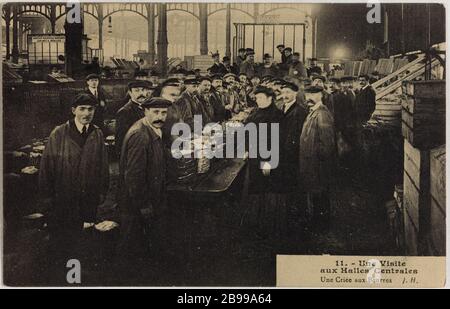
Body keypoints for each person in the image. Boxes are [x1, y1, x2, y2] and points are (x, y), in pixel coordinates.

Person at [39, 93, 109, 282]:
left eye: (90, 109)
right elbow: (46, 168)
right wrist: (48, 200)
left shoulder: (97, 133)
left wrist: (102, 192)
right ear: (73, 111)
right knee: (64, 239)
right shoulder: (59, 133)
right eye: (82, 109)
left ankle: (80, 277)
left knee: (85, 238)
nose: (87, 113)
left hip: (89, 198)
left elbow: (103, 167)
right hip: (64, 198)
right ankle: (64, 278)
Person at [116, 97, 171, 281]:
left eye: (163, 112)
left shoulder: (154, 129)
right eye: (155, 112)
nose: (160, 116)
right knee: (131, 248)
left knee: (142, 247)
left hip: (147, 198)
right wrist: (144, 204)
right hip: (134, 203)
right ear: (145, 111)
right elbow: (134, 177)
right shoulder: (140, 134)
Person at [299, 85, 336, 233]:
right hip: (312, 163)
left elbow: (327, 144)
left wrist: (317, 159)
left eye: (313, 95)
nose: (309, 98)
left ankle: (322, 226)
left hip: (317, 164)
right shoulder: (313, 112)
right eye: (307, 94)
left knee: (320, 194)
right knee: (316, 194)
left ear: (321, 95)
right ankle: (319, 223)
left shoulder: (322, 114)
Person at [278, 82, 308, 195]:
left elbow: (296, 135)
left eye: (288, 92)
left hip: (292, 151)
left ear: (295, 93)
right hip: (284, 150)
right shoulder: (282, 107)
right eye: (283, 92)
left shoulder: (300, 111)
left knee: (293, 182)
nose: (285, 95)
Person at [115, 80, 154, 157]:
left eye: (143, 90)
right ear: (130, 93)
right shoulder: (125, 112)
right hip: (134, 153)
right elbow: (121, 139)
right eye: (137, 90)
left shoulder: (149, 108)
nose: (141, 93)